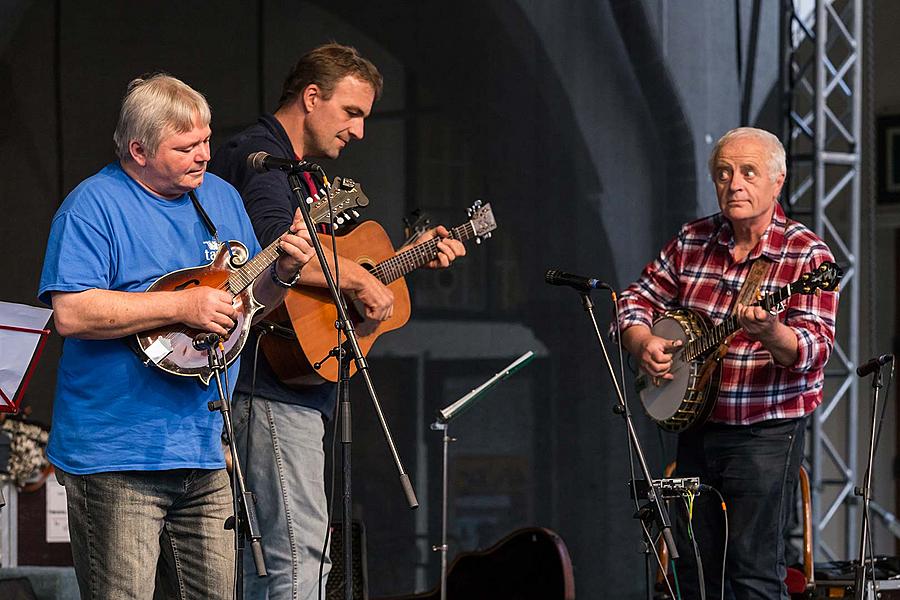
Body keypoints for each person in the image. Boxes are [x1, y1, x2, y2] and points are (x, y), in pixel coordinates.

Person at [38, 74, 315, 599]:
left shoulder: (223, 198)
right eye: (185, 146)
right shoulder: (93, 206)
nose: (204, 155)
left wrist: (280, 274)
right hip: (117, 456)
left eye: (207, 140)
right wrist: (181, 303)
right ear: (138, 150)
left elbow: (249, 307)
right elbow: (71, 312)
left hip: (206, 450)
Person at [209, 43, 465, 599]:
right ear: (311, 97)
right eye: (352, 112)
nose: (360, 131)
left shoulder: (302, 173)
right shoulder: (261, 157)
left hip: (294, 388)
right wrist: (360, 280)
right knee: (297, 561)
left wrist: (407, 256)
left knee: (280, 561)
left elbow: (340, 258)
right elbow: (280, 248)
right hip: (269, 384)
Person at [617, 127, 838, 599]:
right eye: (723, 173)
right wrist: (640, 341)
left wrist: (772, 332)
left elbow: (816, 350)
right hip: (697, 431)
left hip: (764, 434)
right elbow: (636, 297)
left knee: (753, 573)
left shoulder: (806, 254)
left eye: (748, 172)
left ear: (777, 181)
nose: (733, 183)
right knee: (695, 572)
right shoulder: (693, 239)